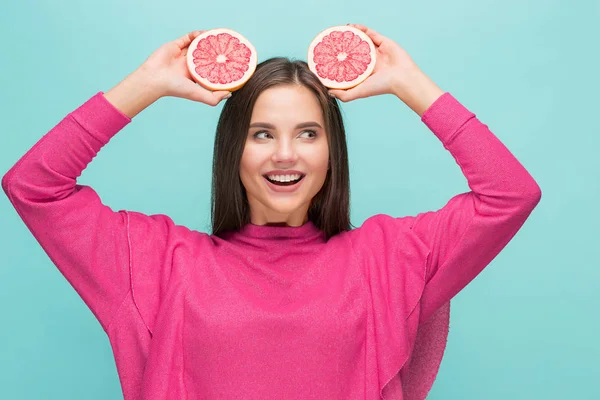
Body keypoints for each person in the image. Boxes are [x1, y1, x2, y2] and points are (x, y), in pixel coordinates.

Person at [2, 25, 541, 400]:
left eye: (308, 133)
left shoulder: (389, 256)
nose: (286, 154)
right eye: (263, 134)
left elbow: (509, 195)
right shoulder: (161, 262)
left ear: (332, 153)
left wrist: (409, 83)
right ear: (233, 149)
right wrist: (145, 85)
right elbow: (34, 187)